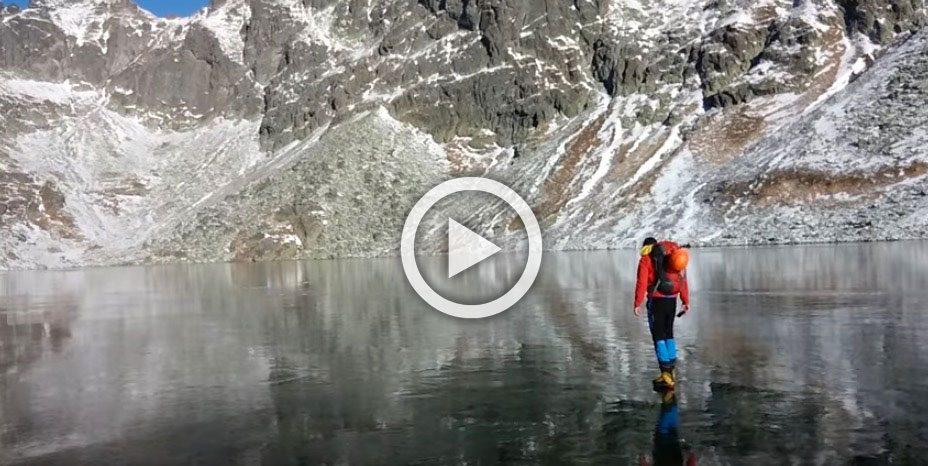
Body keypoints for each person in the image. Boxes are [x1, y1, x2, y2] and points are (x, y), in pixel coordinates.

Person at [633, 237, 690, 391]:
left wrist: (637, 303)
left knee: (658, 336)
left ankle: (666, 374)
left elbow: (642, 282)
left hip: (656, 300)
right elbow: (683, 280)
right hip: (672, 300)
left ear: (645, 247)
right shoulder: (671, 257)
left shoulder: (646, 260)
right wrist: (685, 301)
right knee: (669, 333)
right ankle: (671, 370)